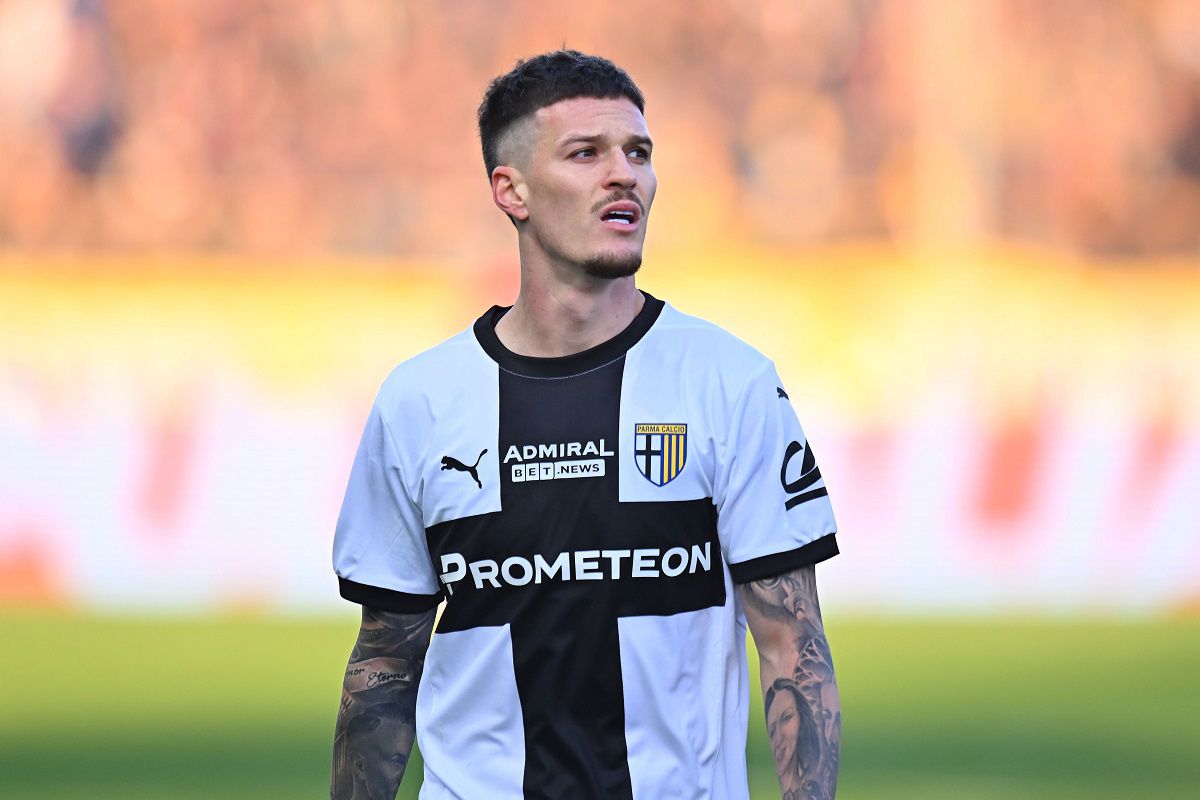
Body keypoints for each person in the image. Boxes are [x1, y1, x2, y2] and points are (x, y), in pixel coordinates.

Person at [330, 49, 841, 800]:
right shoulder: (420, 402)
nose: (624, 174)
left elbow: (794, 649)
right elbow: (384, 663)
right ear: (511, 190)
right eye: (586, 153)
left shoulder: (730, 384)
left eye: (638, 152)